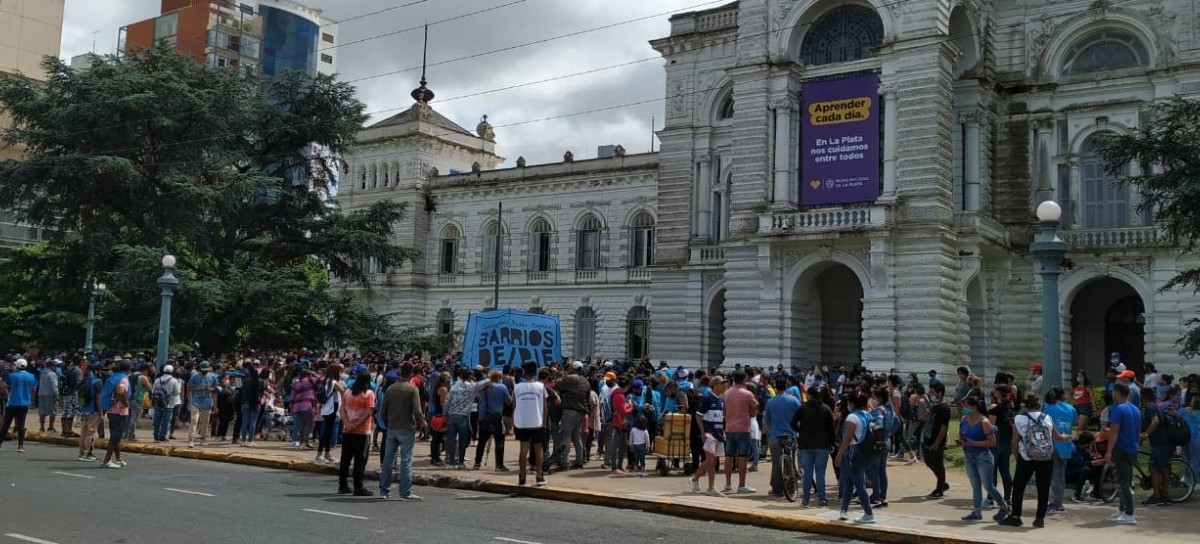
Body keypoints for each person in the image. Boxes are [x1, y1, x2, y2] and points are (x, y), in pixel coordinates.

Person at [999, 393, 1068, 528]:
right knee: (1043, 488)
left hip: (1026, 457)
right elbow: (1057, 437)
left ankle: (1016, 516)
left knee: (1019, 487)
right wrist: (1067, 437)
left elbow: (1014, 441)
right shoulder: (1047, 417)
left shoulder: (1019, 418)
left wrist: (1016, 456)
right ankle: (1039, 518)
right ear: (1039, 405)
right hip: (1046, 457)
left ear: (1026, 405)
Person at [958, 396, 1009, 522]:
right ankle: (976, 511)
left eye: (966, 406)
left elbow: (992, 442)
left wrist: (974, 443)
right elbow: (961, 435)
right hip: (969, 456)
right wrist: (962, 442)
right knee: (975, 485)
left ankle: (1003, 506)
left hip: (983, 457)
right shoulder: (964, 420)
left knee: (988, 485)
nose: (964, 408)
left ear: (973, 407)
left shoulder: (984, 422)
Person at [379, 363, 425, 501]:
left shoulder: (390, 389)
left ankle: (384, 491)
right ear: (411, 373)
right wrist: (420, 424)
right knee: (406, 460)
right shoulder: (412, 389)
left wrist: (388, 422)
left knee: (388, 460)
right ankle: (405, 492)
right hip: (407, 428)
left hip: (392, 428)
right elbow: (417, 411)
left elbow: (382, 412)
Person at [834, 392, 876, 525]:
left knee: (858, 483)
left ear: (852, 403)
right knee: (849, 481)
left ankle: (868, 513)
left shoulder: (852, 417)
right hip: (864, 451)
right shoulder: (868, 415)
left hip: (853, 451)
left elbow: (847, 438)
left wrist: (839, 454)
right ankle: (843, 510)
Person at [792, 383, 835, 507]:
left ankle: (805, 499)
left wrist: (800, 431)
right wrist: (831, 443)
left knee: (808, 473)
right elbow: (831, 429)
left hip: (805, 444)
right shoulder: (826, 409)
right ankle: (821, 498)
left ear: (809, 395)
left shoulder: (802, 408)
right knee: (820, 473)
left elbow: (793, 423)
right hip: (822, 445)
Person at [1106, 383, 1140, 524]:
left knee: (1122, 482)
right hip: (1132, 448)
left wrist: (1109, 451)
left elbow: (1114, 430)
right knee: (1125, 479)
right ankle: (1122, 509)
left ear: (1117, 393)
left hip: (1121, 448)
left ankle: (1129, 513)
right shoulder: (1135, 409)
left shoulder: (1118, 409)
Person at [721, 370, 759, 494]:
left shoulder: (726, 393)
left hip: (729, 427)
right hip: (743, 428)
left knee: (729, 455)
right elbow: (755, 408)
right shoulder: (747, 394)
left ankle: (727, 484)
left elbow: (724, 410)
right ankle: (741, 484)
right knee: (743, 456)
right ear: (744, 380)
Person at [764, 376, 801, 499]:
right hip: (790, 435)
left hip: (775, 436)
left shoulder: (770, 402)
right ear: (786, 386)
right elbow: (800, 418)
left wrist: (771, 432)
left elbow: (766, 422)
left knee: (776, 463)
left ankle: (777, 488)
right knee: (790, 461)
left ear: (775, 387)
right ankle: (791, 486)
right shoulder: (794, 400)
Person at [513, 363, 549, 486]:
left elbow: (514, 405)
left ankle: (522, 476)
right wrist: (544, 423)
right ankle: (539, 475)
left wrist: (514, 421)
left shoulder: (517, 387)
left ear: (524, 372)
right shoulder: (541, 386)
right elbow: (545, 407)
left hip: (522, 422)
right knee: (538, 450)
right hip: (537, 422)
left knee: (523, 450)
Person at [690, 376, 727, 496]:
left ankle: (709, 486)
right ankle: (696, 479)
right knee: (710, 459)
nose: (724, 386)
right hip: (709, 432)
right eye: (722, 384)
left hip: (718, 433)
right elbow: (698, 416)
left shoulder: (721, 400)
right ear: (715, 385)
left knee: (713, 460)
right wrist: (702, 432)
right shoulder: (707, 398)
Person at [1140, 389, 1173, 506]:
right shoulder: (1156, 406)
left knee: (1153, 468)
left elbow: (1155, 421)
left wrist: (1145, 434)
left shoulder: (1150, 407)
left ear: (1144, 397)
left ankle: (1157, 496)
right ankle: (1165, 495)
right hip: (1164, 442)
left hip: (1159, 443)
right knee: (1163, 468)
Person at [474, 370, 511, 471]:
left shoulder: (483, 387)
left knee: (482, 441)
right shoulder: (502, 387)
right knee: (499, 441)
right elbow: (508, 401)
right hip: (496, 417)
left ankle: (477, 462)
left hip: (483, 416)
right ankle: (499, 465)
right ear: (499, 378)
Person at [99, 361, 132, 468]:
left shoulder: (113, 377)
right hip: (120, 411)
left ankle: (118, 459)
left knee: (115, 436)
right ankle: (106, 460)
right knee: (116, 437)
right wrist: (125, 402)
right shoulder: (123, 379)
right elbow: (121, 391)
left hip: (111, 409)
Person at [0, 359, 36, 452]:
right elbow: (33, 389)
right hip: (24, 403)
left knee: (6, 424)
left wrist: (7, 394)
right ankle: (20, 445)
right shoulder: (31, 376)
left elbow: (5, 385)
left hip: (12, 402)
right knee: (21, 424)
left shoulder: (12, 376)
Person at [923, 382, 951, 498]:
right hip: (928, 438)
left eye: (933, 392)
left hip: (936, 441)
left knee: (938, 464)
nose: (931, 394)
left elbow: (944, 427)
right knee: (928, 461)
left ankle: (939, 489)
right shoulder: (935, 406)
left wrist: (937, 443)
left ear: (940, 393)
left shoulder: (944, 408)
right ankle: (942, 482)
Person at [443, 367, 475, 468]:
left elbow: (447, 401)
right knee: (463, 439)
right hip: (463, 416)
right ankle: (461, 461)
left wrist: (445, 413)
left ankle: (451, 460)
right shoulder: (471, 387)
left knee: (451, 438)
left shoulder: (454, 386)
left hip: (452, 414)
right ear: (469, 376)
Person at [187, 361, 218, 448]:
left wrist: (215, 405)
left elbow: (215, 390)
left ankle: (203, 438)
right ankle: (191, 439)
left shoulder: (213, 377)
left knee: (205, 422)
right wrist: (199, 389)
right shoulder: (195, 376)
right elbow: (189, 387)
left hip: (207, 402)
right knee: (194, 420)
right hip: (196, 401)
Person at [76, 365, 102, 461]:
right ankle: (89, 453)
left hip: (83, 410)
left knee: (84, 432)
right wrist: (101, 412)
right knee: (91, 432)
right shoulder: (97, 382)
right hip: (93, 410)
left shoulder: (84, 381)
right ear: (96, 371)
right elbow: (98, 398)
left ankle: (81, 452)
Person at [151, 365, 179, 442]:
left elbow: (153, 391)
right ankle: (162, 436)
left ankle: (156, 436)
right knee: (166, 421)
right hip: (169, 403)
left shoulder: (157, 380)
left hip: (158, 403)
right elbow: (177, 392)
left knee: (157, 420)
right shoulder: (174, 380)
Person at [37, 359, 60, 433]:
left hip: (41, 394)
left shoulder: (42, 373)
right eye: (55, 366)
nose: (56, 367)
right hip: (50, 395)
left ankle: (42, 427)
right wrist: (56, 394)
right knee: (53, 412)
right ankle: (50, 427)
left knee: (42, 412)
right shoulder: (52, 374)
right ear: (52, 366)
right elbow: (54, 385)